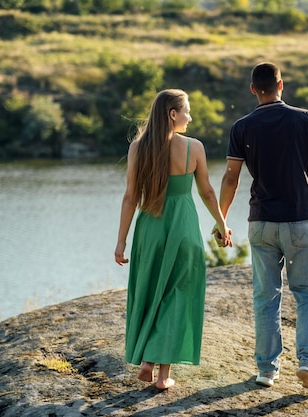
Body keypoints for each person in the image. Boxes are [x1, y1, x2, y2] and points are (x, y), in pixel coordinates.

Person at [219, 62, 308, 390]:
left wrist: (220, 219)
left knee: (266, 297)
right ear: (281, 84)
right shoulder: (304, 118)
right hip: (300, 221)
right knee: (307, 293)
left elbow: (231, 177)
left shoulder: (241, 127)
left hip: (261, 222)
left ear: (253, 89)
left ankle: (267, 370)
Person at [114, 89, 231, 390]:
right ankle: (163, 375)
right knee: (177, 295)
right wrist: (222, 225)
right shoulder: (194, 148)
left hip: (150, 229)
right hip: (183, 228)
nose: (190, 118)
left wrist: (121, 242)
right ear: (172, 114)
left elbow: (130, 198)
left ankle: (147, 361)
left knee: (151, 291)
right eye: (187, 111)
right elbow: (206, 192)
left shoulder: (138, 148)